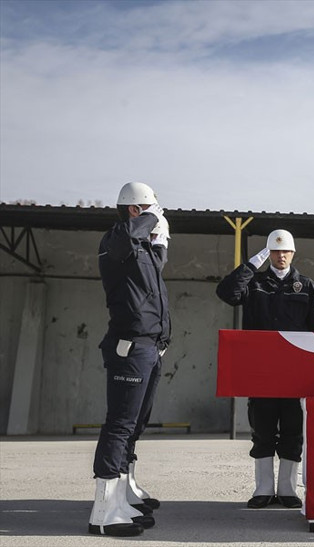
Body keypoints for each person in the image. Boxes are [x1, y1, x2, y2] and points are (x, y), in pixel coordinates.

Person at [216, 229, 314, 510]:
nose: (280, 256)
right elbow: (226, 293)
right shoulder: (254, 283)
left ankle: (287, 489)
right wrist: (251, 265)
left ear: (293, 253)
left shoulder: (306, 286)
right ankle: (263, 489)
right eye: (275, 252)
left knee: (292, 429)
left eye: (285, 251)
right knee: (262, 429)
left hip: (294, 373)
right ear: (268, 254)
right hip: (261, 371)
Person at [90, 182, 170, 536]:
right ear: (135, 211)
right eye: (150, 211)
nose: (157, 218)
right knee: (119, 426)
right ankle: (103, 513)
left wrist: (160, 238)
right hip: (129, 346)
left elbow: (156, 266)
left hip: (149, 347)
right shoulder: (115, 242)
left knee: (132, 426)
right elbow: (126, 238)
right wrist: (151, 218)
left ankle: (119, 500)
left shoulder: (140, 250)